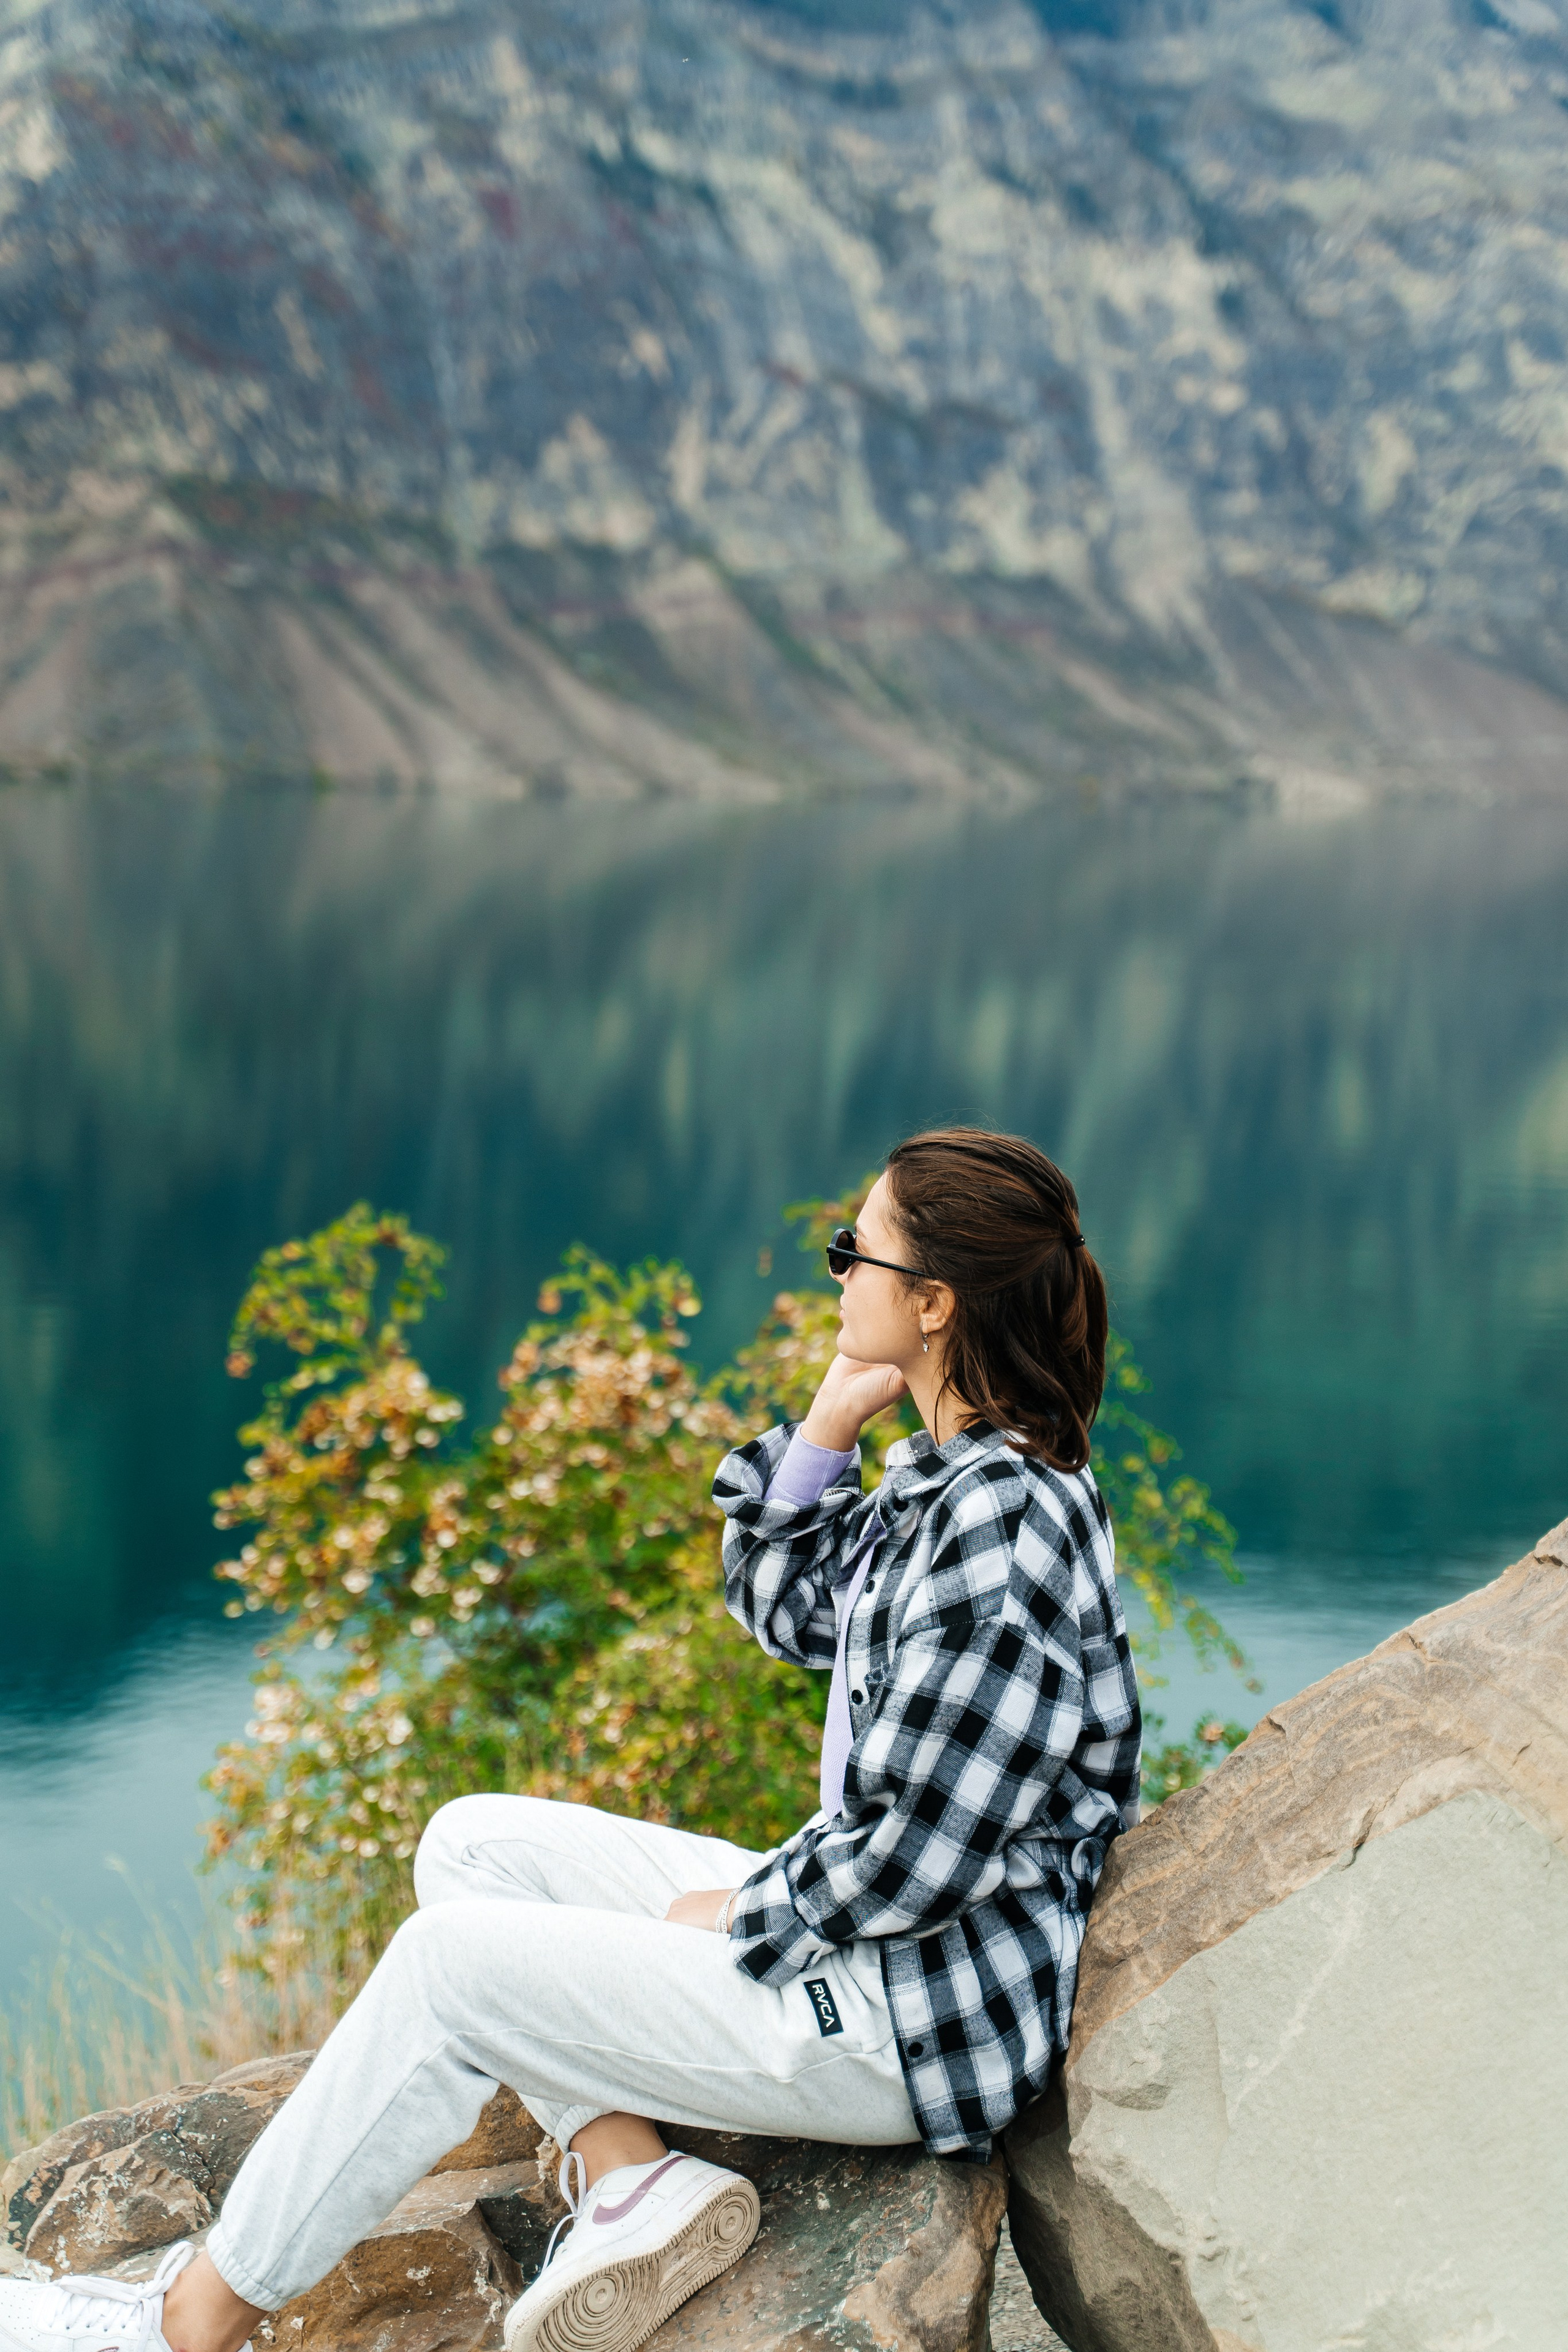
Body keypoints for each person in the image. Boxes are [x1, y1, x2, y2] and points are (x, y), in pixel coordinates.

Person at [0, 1128, 1139, 2352]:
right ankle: (635, 2184)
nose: (834, 1277)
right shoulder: (947, 1479)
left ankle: (182, 2328)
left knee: (451, 1966)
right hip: (870, 1954)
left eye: (850, 1254)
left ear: (931, 1304)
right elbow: (785, 1607)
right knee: (474, 1846)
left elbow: (924, 1855)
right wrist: (825, 1421)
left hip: (900, 2021)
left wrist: (745, 1915)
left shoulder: (1001, 1522)